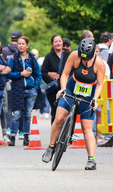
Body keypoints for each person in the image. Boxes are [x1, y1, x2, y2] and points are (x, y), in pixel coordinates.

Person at [42, 37, 107, 170]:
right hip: (72, 87)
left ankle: (91, 159)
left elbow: (100, 83)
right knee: (59, 118)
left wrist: (95, 98)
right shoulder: (73, 56)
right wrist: (63, 89)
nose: (84, 61)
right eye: (82, 58)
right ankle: (51, 146)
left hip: (89, 93)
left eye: (87, 58)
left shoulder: (99, 63)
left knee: (86, 127)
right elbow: (65, 74)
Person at [6, 35, 41, 146]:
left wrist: (35, 86)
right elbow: (9, 73)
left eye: (23, 44)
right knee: (16, 114)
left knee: (27, 115)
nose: (21, 46)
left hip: (30, 90)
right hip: (17, 89)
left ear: (27, 45)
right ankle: (12, 137)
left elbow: (38, 74)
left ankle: (26, 136)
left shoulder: (32, 58)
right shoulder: (13, 58)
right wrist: (20, 74)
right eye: (19, 44)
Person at [41, 35, 65, 117]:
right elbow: (43, 72)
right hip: (53, 90)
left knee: (66, 112)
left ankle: (67, 130)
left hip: (66, 89)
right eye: (55, 42)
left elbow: (73, 70)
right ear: (52, 44)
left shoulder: (68, 55)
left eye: (59, 41)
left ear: (62, 42)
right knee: (55, 112)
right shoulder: (49, 56)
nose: (58, 43)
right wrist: (52, 81)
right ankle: (55, 130)